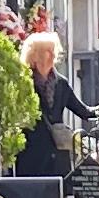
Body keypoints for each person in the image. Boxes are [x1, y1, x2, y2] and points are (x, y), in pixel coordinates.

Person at [14, 26, 86, 183]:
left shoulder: (61, 84)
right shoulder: (23, 83)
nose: (53, 54)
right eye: (48, 51)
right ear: (35, 55)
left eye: (54, 50)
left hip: (58, 158)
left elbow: (85, 112)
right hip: (31, 157)